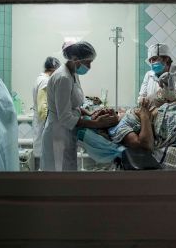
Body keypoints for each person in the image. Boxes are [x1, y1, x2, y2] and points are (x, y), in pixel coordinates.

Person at [40, 41, 119, 171]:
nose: (89, 66)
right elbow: (65, 117)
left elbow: (73, 105)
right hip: (58, 135)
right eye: (88, 62)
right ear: (75, 59)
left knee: (68, 172)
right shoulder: (63, 78)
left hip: (67, 133)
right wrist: (97, 124)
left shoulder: (73, 74)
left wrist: (90, 115)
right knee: (58, 177)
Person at [32, 56, 61, 167]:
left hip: (40, 125)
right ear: (54, 69)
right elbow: (43, 110)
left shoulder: (40, 79)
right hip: (43, 127)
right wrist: (52, 125)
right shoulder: (45, 81)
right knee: (44, 163)